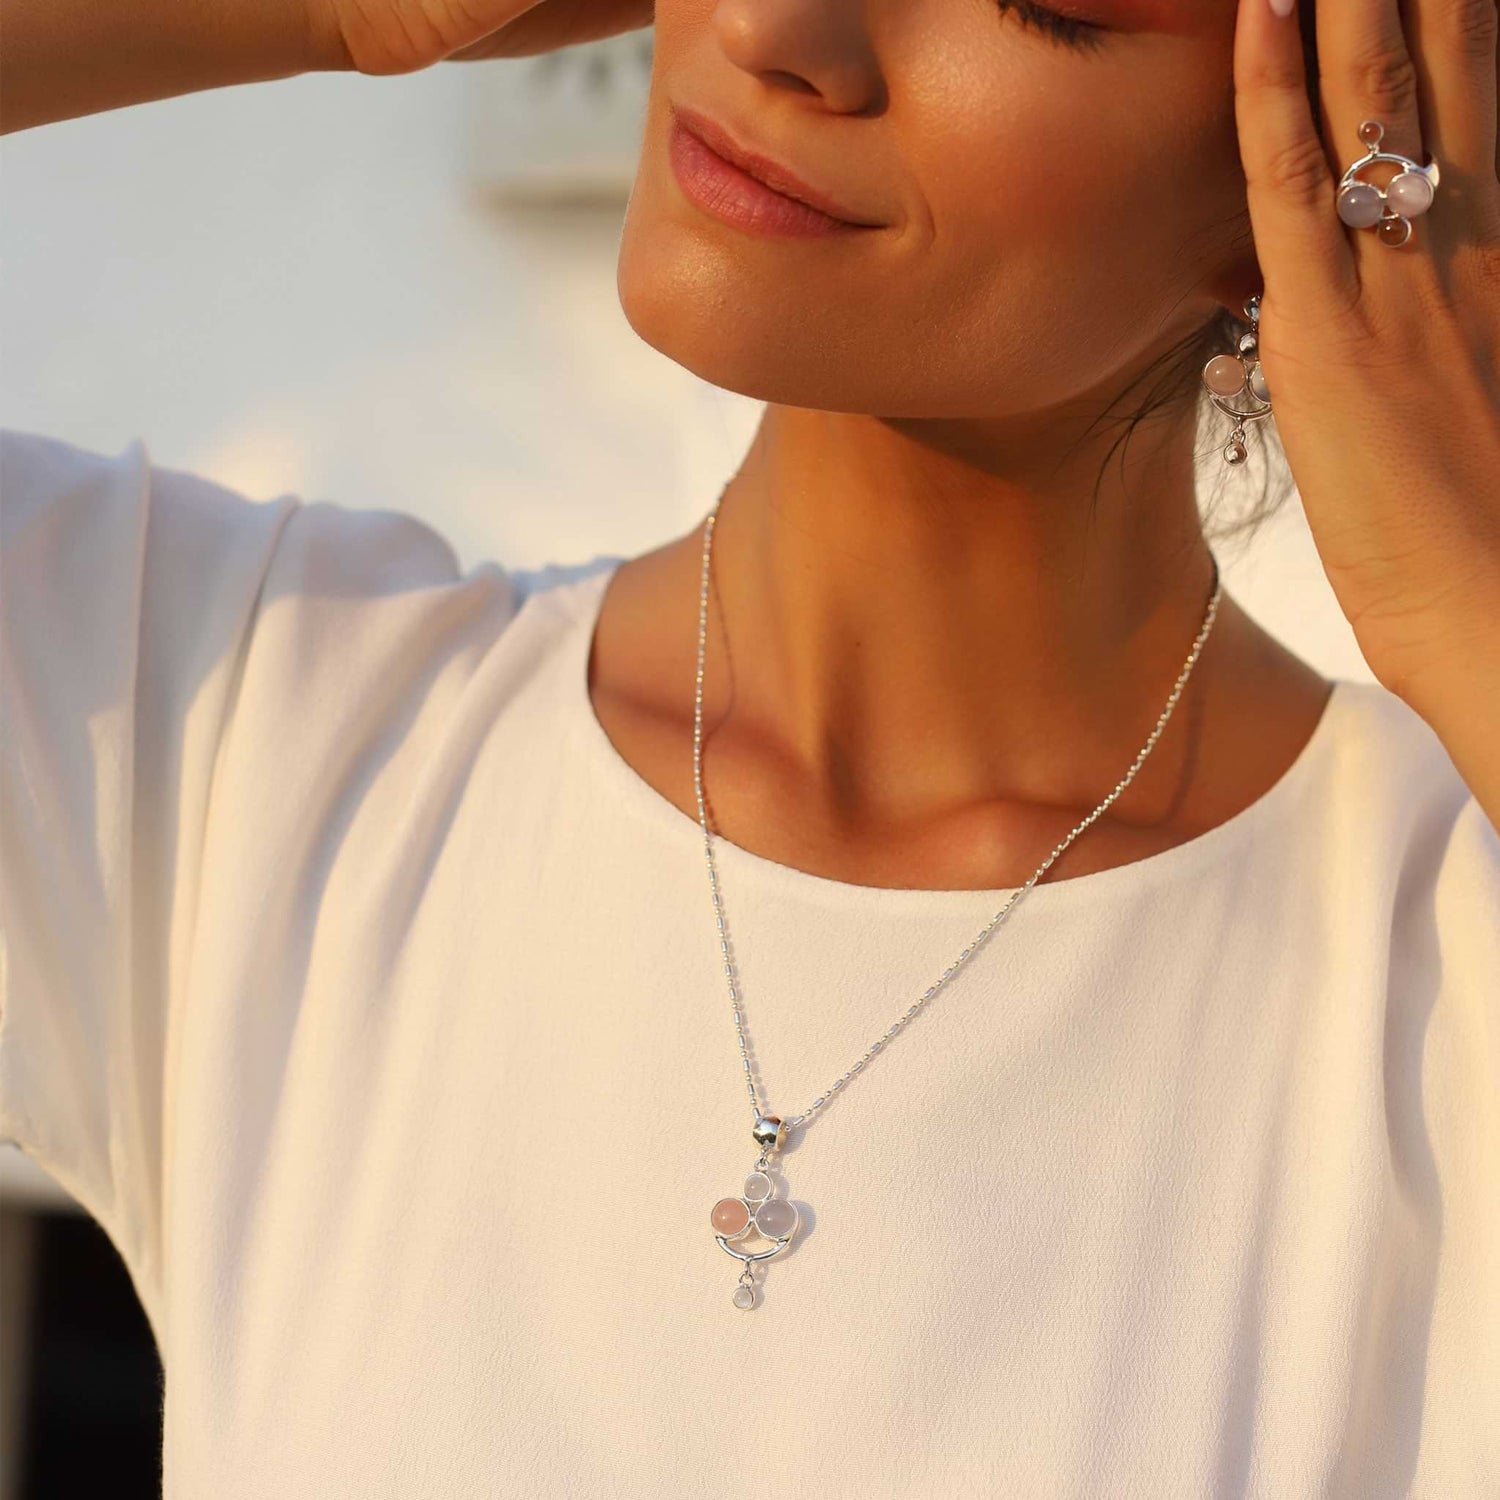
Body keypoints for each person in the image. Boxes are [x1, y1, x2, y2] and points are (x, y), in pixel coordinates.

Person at [2, 0, 1497, 1493]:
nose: (783, 28)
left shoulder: (1438, 963)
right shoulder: (243, 730)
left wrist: (1470, 602)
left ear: (1343, 138)